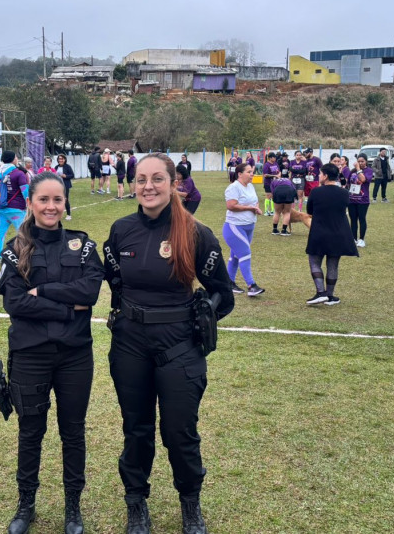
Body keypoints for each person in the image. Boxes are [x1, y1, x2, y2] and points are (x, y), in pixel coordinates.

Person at [103, 153, 235, 534]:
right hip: (130, 345)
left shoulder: (195, 233)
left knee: (180, 431)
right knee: (136, 428)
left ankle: (190, 504)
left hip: (180, 346)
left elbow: (222, 295)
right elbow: (115, 284)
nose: (148, 186)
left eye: (157, 178)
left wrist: (201, 316)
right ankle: (136, 503)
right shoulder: (120, 229)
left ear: (173, 181)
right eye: (141, 178)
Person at [0, 172, 104, 534]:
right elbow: (14, 303)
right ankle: (26, 503)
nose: (51, 206)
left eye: (57, 200)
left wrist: (41, 292)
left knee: (72, 432)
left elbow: (89, 293)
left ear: (64, 203)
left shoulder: (84, 246)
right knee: (31, 431)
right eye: (43, 199)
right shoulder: (15, 249)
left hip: (75, 356)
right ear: (30, 203)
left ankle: (73, 507)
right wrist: (65, 306)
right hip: (30, 355)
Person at [305, 164, 359, 305]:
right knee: (333, 264)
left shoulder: (316, 192)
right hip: (338, 232)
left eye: (320, 174)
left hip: (320, 231)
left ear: (326, 176)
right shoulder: (344, 192)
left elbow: (309, 210)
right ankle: (330, 296)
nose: (319, 176)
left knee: (314, 261)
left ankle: (320, 292)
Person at [223, 161, 266, 296]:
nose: (252, 174)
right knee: (245, 253)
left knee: (236, 256)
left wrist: (256, 207)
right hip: (234, 227)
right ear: (240, 174)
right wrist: (250, 208)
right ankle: (251, 285)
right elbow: (231, 206)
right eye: (249, 172)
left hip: (249, 226)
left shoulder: (250, 186)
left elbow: (255, 200)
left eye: (252, 172)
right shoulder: (233, 188)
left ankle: (229, 283)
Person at [0, 151, 30, 265]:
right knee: (22, 232)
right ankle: (25, 255)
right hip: (16, 209)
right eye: (16, 157)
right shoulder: (18, 173)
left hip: (1, 207)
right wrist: (29, 204)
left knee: (0, 232)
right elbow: (25, 191)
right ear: (13, 159)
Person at [347, 154, 373, 248]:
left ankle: (361, 239)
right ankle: (353, 238)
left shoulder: (369, 171)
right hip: (352, 199)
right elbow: (348, 182)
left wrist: (358, 169)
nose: (360, 163)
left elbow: (363, 179)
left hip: (363, 200)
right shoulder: (352, 171)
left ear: (366, 161)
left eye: (362, 161)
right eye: (359, 161)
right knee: (353, 219)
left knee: (362, 219)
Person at [55, 154, 75, 220]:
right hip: (57, 186)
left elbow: (72, 175)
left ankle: (68, 215)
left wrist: (65, 176)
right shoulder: (56, 167)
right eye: (59, 159)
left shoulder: (67, 166)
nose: (60, 160)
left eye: (62, 159)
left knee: (65, 199)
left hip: (65, 185)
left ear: (64, 159)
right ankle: (57, 214)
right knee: (57, 200)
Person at [261, 152, 280, 216]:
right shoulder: (266, 165)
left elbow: (279, 171)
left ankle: (272, 211)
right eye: (274, 157)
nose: (275, 159)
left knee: (273, 196)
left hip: (275, 183)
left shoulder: (276, 163)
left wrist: (279, 175)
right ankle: (266, 211)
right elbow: (265, 175)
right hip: (268, 183)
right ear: (270, 158)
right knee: (268, 196)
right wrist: (274, 176)